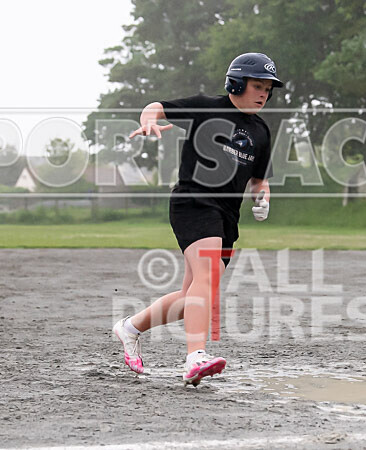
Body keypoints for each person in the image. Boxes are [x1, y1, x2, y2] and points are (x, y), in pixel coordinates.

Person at [112, 52, 281, 386]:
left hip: (226, 216)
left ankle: (129, 328)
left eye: (268, 89)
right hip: (193, 202)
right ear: (235, 83)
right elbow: (156, 107)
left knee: (194, 295)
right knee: (205, 278)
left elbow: (259, 179)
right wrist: (148, 119)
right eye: (257, 85)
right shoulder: (208, 106)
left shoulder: (261, 131)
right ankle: (194, 357)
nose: (263, 93)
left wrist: (262, 196)